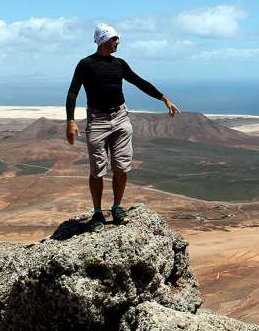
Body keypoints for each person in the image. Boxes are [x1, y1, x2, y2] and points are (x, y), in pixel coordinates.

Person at [66, 23, 179, 232]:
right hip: (97, 120)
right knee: (97, 170)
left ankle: (117, 207)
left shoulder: (119, 64)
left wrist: (164, 98)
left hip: (120, 118)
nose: (118, 42)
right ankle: (98, 212)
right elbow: (73, 91)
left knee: (121, 166)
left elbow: (138, 81)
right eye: (114, 38)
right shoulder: (85, 64)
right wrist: (70, 121)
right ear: (103, 40)